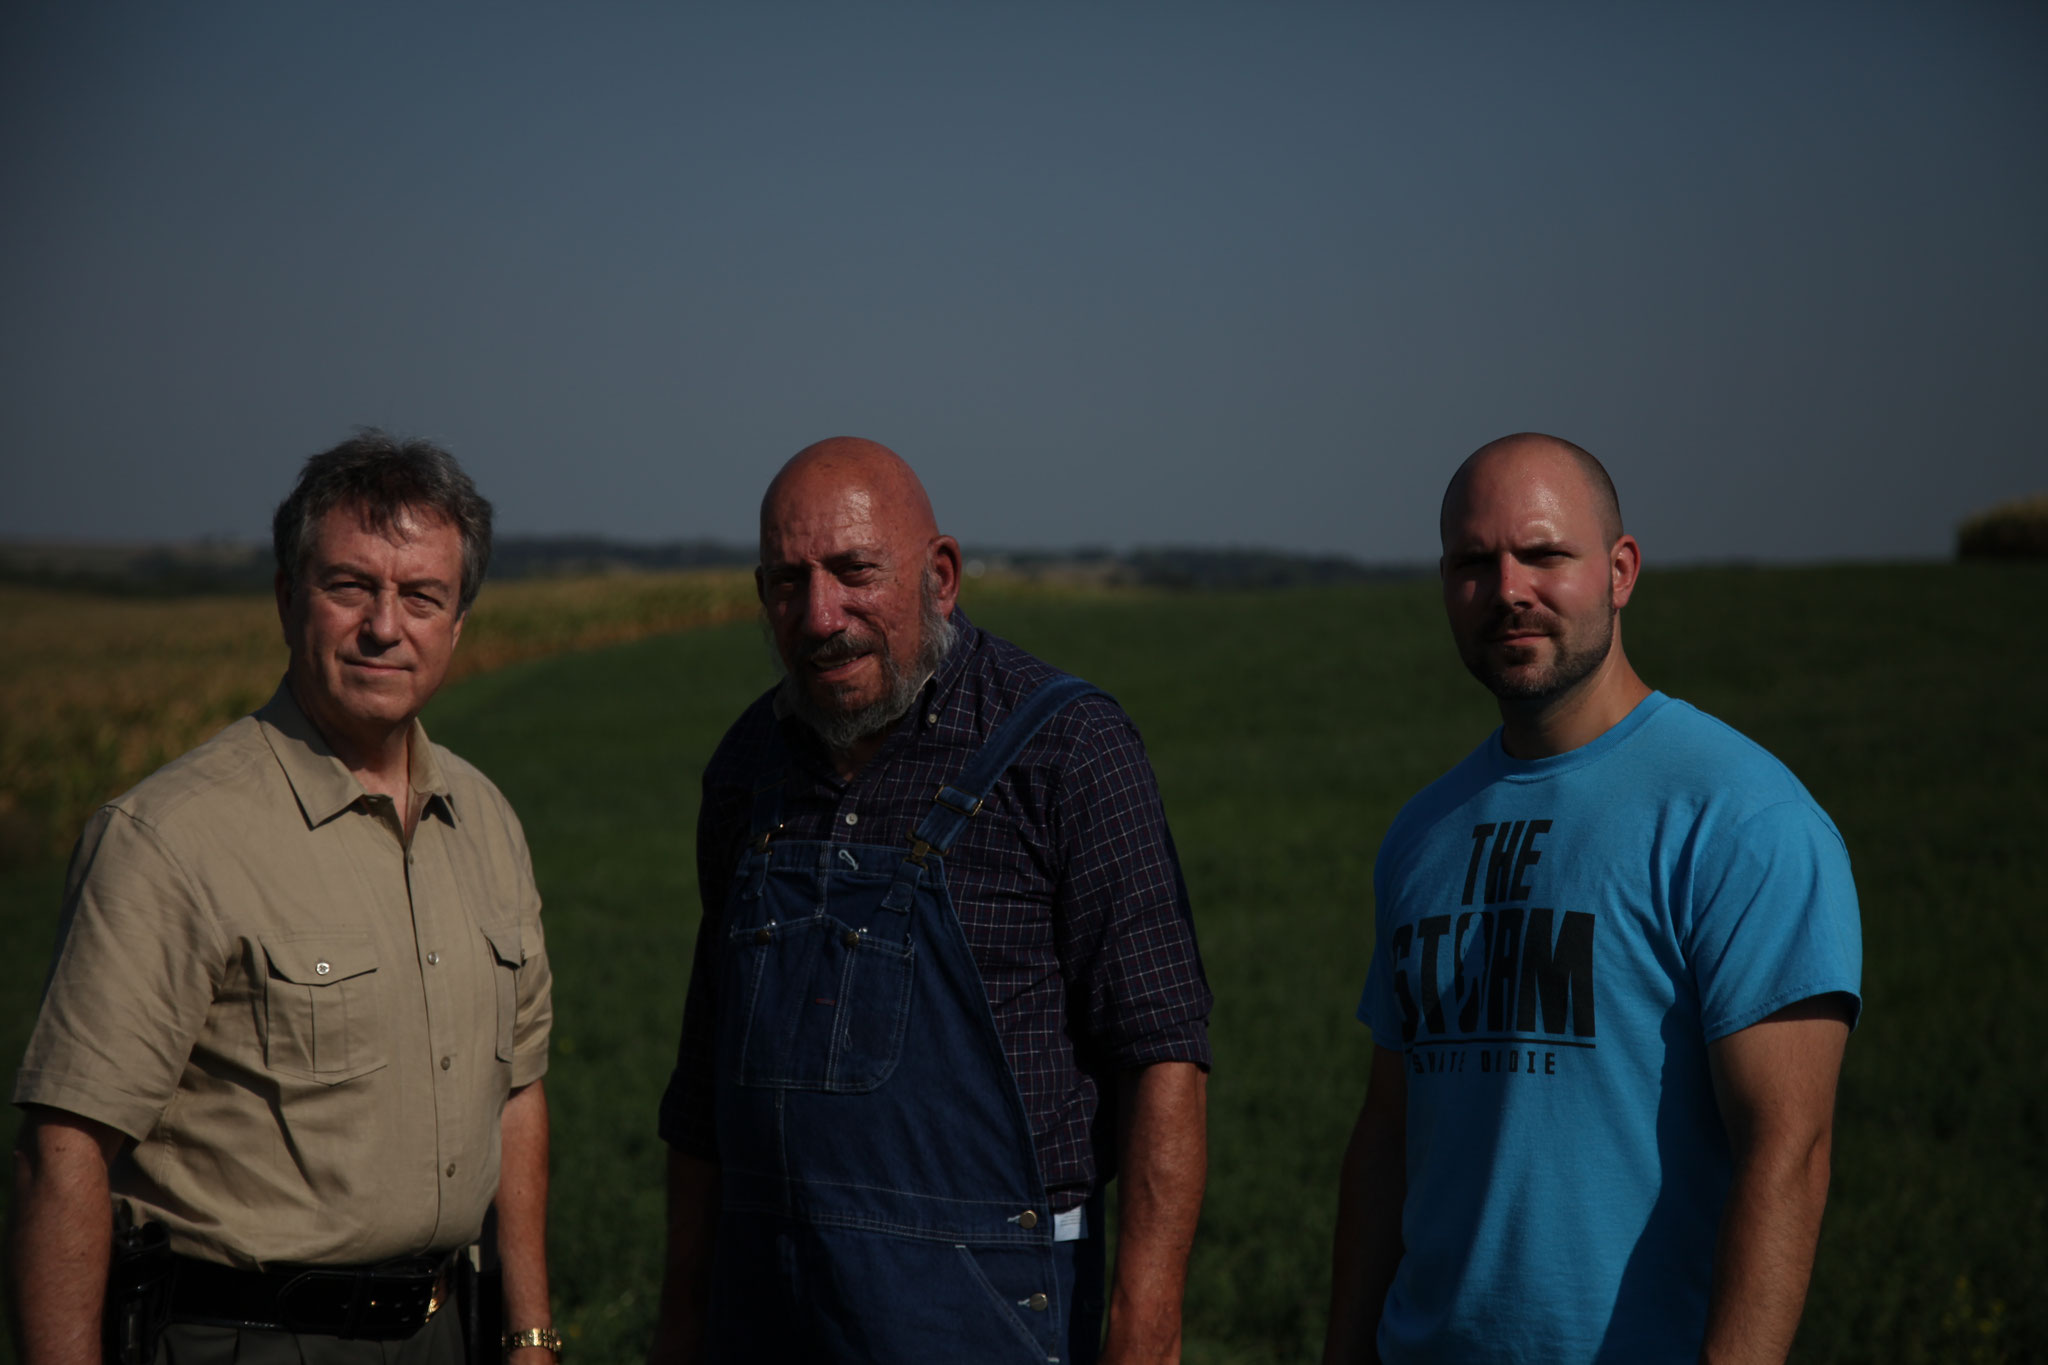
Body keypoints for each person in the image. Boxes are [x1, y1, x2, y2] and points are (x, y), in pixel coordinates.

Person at [647, 437, 1213, 1364]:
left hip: (990, 1317)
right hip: (770, 1309)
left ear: (940, 576)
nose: (821, 614)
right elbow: (705, 1081)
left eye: (853, 572)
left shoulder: (1067, 751)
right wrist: (681, 1321)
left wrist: (1145, 1331)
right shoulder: (747, 768)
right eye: (788, 583)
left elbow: (1162, 1054)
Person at [9, 432, 558, 1365]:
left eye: (422, 595)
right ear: (284, 597)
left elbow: (518, 1094)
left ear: (457, 625)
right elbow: (61, 1154)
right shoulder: (172, 838)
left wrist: (532, 1334)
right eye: (351, 586)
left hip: (447, 1333)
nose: (387, 625)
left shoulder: (487, 821)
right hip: (247, 1335)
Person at [1323, 433, 1863, 1365]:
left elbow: (1790, 1150)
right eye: (1472, 563)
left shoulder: (1739, 816)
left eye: (1543, 554)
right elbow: (1388, 1134)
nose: (1508, 590)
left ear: (1620, 571)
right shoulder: (1422, 832)